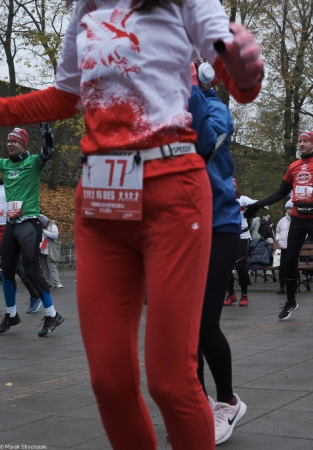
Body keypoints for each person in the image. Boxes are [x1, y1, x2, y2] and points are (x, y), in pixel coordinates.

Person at [0, 0, 264, 447]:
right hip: (100, 204)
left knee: (170, 381)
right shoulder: (86, 8)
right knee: (109, 381)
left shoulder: (188, 4)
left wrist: (244, 61)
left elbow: (242, 88)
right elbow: (65, 97)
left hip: (173, 197)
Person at [188, 59, 247, 444]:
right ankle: (197, 404)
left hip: (219, 225)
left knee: (204, 323)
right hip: (182, 227)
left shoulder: (215, 107)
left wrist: (188, 88)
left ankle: (228, 401)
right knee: (184, 328)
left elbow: (206, 146)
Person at [245, 130, 313, 323]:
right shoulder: (294, 166)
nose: (301, 144)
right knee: (289, 260)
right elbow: (281, 191)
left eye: (305, 141)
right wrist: (259, 203)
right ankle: (290, 302)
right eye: (300, 141)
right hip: (298, 217)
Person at [0, 125, 64, 337]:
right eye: (8, 140)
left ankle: (52, 314)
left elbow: (49, 150)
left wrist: (46, 129)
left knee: (31, 269)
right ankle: (11, 315)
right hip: (12, 224)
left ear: (23, 144)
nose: (10, 143)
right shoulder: (5, 165)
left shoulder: (33, 162)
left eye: (15, 141)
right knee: (6, 270)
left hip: (29, 223)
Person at [0, 175, 41, 313]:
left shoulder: (9, 189)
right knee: (8, 271)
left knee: (17, 268)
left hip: (9, 232)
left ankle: (35, 295)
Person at [225, 179, 254, 307]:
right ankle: (230, 294)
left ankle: (244, 294)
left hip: (242, 235)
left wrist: (261, 204)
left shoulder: (241, 199)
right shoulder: (220, 198)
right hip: (227, 236)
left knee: (241, 265)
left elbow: (252, 202)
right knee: (225, 267)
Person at [39, 214, 64, 289]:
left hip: (50, 250)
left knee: (52, 267)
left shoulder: (53, 226)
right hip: (42, 249)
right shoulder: (41, 227)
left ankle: (57, 283)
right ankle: (47, 282)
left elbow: (54, 236)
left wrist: (44, 231)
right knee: (44, 267)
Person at [274, 200, 293, 295]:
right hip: (284, 247)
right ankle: (282, 286)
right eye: (288, 209)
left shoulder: (297, 220)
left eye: (291, 208)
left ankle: (293, 286)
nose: (289, 210)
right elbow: (277, 231)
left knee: (292, 267)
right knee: (282, 267)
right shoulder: (282, 221)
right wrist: (278, 240)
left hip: (293, 247)